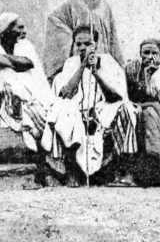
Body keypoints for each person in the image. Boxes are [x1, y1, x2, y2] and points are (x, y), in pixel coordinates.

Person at [0, 12, 59, 187]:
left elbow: (27, 64)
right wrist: (8, 63)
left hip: (25, 96)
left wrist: (0, 59)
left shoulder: (25, 46)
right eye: (19, 27)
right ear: (7, 30)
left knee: (6, 73)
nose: (23, 31)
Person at [50, 25, 137, 186]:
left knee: (126, 110)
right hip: (77, 112)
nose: (83, 47)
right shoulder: (71, 63)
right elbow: (66, 93)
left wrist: (96, 72)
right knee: (60, 112)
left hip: (103, 111)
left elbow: (115, 96)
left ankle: (125, 172)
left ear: (96, 44)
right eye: (79, 44)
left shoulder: (108, 61)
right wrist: (83, 66)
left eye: (88, 43)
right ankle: (71, 172)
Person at [116, 38, 160, 187]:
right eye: (145, 53)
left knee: (149, 114)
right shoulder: (133, 72)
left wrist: (153, 103)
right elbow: (129, 100)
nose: (150, 57)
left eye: (154, 53)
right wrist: (152, 103)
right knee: (144, 113)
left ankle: (159, 168)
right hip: (138, 120)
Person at [44, 0, 124, 79]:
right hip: (80, 52)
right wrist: (71, 37)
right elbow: (54, 19)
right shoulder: (73, 3)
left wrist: (118, 61)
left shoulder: (105, 6)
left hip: (101, 52)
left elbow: (112, 36)